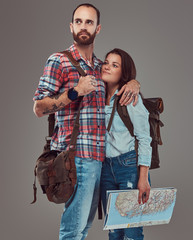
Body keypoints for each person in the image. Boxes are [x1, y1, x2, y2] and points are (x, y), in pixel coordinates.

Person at [33, 3, 140, 240]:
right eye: (79, 21)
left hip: (100, 160)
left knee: (83, 229)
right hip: (75, 158)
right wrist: (75, 92)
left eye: (89, 22)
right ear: (71, 26)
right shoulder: (59, 61)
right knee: (73, 230)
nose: (83, 26)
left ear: (97, 28)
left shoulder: (101, 68)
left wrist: (133, 82)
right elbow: (39, 108)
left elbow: (121, 83)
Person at [100, 48, 152, 240]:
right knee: (114, 232)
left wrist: (143, 178)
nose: (107, 67)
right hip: (105, 168)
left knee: (131, 232)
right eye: (106, 62)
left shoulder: (130, 97)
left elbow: (145, 138)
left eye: (115, 65)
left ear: (124, 72)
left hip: (128, 166)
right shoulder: (97, 95)